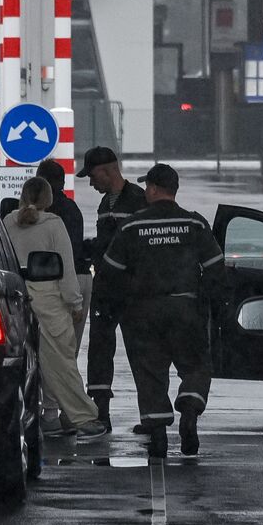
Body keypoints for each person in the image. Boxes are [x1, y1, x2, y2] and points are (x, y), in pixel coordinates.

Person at [99, 164, 225, 459]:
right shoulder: (194, 224)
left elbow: (110, 272)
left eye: (147, 187)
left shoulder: (132, 226)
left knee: (149, 372)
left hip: (143, 311)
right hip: (186, 308)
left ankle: (157, 437)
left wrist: (112, 306)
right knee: (196, 365)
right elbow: (215, 268)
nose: (145, 191)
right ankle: (189, 409)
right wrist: (213, 306)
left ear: (154, 189)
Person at [2, 177, 106, 443]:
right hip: (49, 300)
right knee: (60, 362)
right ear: (48, 199)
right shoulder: (54, 224)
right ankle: (82, 418)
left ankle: (42, 416)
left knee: (22, 362)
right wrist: (75, 303)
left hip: (15, 297)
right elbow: (66, 269)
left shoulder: (7, 223)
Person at [76, 146, 147, 432]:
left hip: (133, 289)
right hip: (106, 287)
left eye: (93, 177)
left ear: (107, 171)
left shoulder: (139, 200)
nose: (91, 184)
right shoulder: (106, 203)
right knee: (99, 349)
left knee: (140, 352)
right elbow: (108, 243)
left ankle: (150, 415)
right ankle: (101, 411)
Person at [35, 159, 90, 354]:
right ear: (62, 183)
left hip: (42, 285)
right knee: (68, 351)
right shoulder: (71, 210)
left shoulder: (27, 215)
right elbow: (72, 255)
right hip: (75, 280)